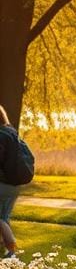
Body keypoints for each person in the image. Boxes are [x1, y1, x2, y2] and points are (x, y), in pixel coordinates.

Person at [0, 105, 23, 258]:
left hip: (2, 183)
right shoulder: (12, 133)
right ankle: (6, 251)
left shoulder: (1, 135)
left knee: (1, 218)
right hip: (15, 184)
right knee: (4, 217)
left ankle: (12, 252)